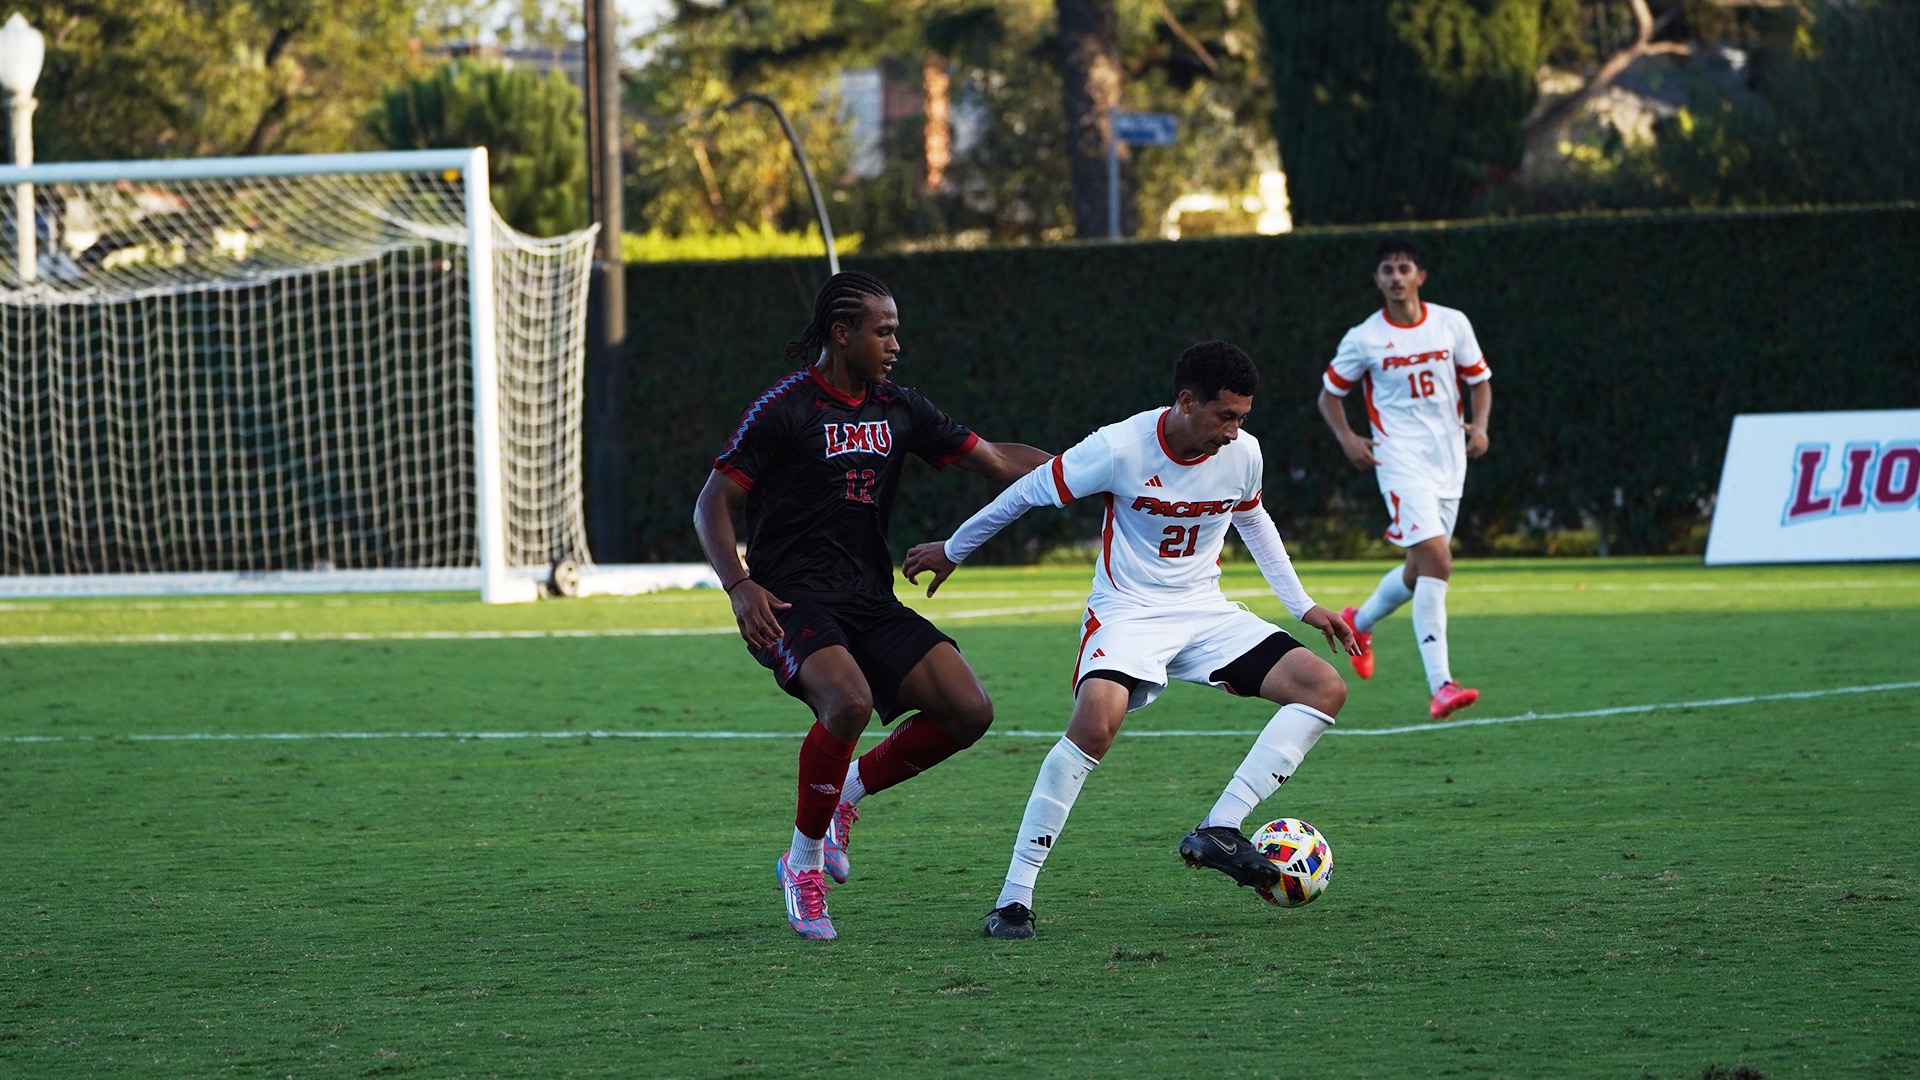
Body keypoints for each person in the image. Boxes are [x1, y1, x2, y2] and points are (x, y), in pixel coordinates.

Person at [902, 340, 1359, 940]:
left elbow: (1253, 518)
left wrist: (1303, 605)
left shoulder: (1244, 452)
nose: (1234, 431)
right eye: (1225, 416)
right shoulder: (1118, 447)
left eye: (1243, 417)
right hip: (1128, 612)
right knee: (1094, 726)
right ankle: (1014, 900)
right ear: (1186, 401)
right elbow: (1024, 492)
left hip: (1205, 611)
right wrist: (953, 548)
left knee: (1323, 687)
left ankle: (1220, 829)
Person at [693, 271, 1050, 941]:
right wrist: (738, 585)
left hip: (868, 598)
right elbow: (713, 501)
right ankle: (802, 866)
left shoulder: (901, 407)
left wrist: (1091, 470)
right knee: (848, 700)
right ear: (842, 333)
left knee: (969, 710)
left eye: (895, 331)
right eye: (883, 331)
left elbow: (998, 461)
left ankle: (844, 797)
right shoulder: (785, 407)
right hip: (790, 600)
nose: (895, 344)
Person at [1316, 235, 1493, 721]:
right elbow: (1330, 395)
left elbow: (1479, 381)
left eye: (1404, 268)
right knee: (1438, 560)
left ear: (1420, 277)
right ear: (1377, 280)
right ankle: (1441, 686)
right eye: (1387, 270)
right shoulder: (1364, 337)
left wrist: (1480, 427)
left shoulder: (1452, 323)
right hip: (1398, 460)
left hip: (1448, 459)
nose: (1396, 277)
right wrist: (1348, 438)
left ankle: (1359, 621)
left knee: (1420, 571)